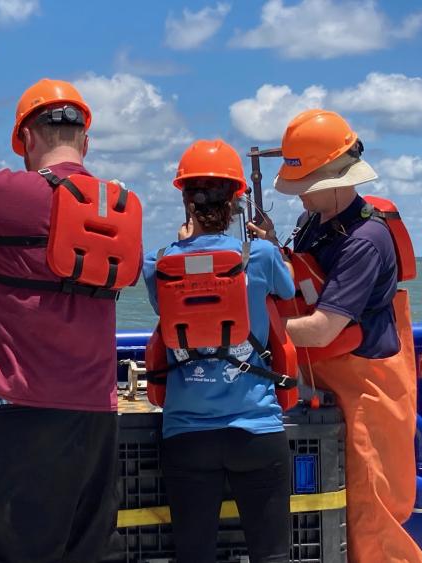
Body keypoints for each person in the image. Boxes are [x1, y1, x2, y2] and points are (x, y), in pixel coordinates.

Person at [0, 78, 142, 563]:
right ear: (86, 141)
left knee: (17, 551)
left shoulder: (1, 192)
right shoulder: (117, 205)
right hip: (97, 412)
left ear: (26, 139)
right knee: (88, 549)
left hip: (23, 410)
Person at [249, 109, 422, 563]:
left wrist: (247, 331)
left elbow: (325, 326)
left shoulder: (365, 240)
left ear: (334, 178)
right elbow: (307, 278)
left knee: (371, 519)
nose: (300, 196)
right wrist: (272, 243)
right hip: (324, 380)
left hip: (367, 389)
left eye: (305, 185)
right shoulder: (318, 221)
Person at [142, 139, 295, 563]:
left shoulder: (158, 263)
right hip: (257, 431)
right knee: (272, 555)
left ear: (186, 200)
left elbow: (165, 303)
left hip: (187, 436)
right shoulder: (259, 255)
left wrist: (182, 246)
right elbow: (287, 291)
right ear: (236, 200)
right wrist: (271, 242)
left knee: (194, 554)